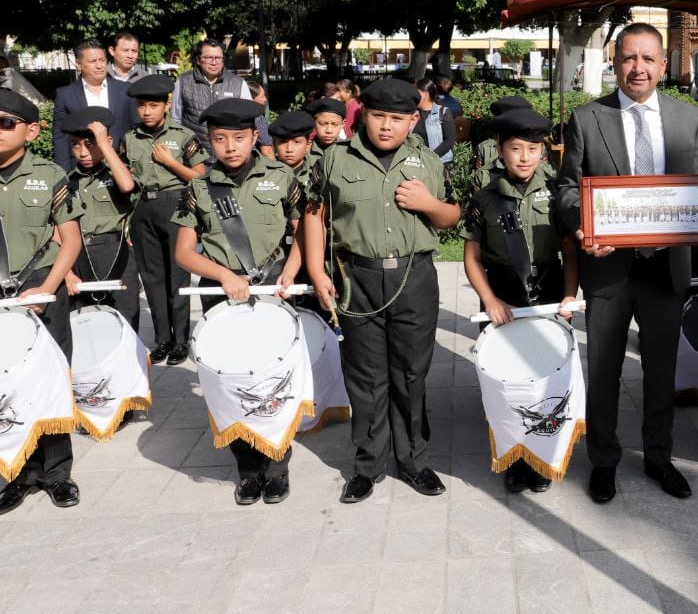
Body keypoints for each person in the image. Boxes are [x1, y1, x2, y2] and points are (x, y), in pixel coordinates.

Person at [553, 22, 698, 504]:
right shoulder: (587, 119)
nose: (637, 67)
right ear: (614, 63)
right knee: (604, 371)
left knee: (661, 369)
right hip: (608, 267)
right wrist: (586, 229)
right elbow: (563, 191)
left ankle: (660, 458)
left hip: (666, 266)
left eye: (647, 58)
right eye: (627, 58)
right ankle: (604, 461)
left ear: (664, 65)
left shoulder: (688, 118)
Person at [304, 78, 461, 503]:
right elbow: (314, 215)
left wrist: (429, 204)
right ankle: (368, 464)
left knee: (410, 374)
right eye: (377, 116)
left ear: (414, 120)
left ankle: (413, 460)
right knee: (366, 377)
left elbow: (452, 217)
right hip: (357, 278)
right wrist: (318, 272)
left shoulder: (428, 162)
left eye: (397, 118)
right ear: (362, 117)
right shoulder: (335, 160)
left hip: (415, 278)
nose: (386, 126)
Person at [173, 98, 304, 505]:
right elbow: (184, 252)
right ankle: (247, 469)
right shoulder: (198, 185)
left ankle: (277, 465)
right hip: (221, 294)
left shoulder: (281, 176)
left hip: (271, 292)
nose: (230, 147)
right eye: (220, 139)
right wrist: (225, 275)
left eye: (239, 138)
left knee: (271, 379)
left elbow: (304, 230)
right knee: (230, 382)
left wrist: (291, 270)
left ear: (254, 138)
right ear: (209, 142)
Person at [0, 87, 83, 516]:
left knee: (50, 380)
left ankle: (57, 474)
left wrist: (49, 285)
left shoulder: (51, 175)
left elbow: (70, 240)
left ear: (31, 130)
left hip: (40, 285)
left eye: (5, 123)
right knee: (3, 384)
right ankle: (17, 474)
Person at [462, 108, 580, 493]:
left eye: (533, 148)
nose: (525, 157)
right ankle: (515, 456)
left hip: (547, 291)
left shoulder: (559, 191)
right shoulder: (486, 197)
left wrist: (568, 295)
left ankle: (543, 456)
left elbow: (569, 249)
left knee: (547, 380)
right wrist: (489, 300)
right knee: (508, 383)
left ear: (543, 152)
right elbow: (471, 256)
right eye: (516, 149)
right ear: (500, 150)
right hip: (504, 294)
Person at [122, 74, 208, 365]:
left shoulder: (182, 136)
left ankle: (181, 340)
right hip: (143, 208)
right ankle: (163, 340)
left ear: (166, 105)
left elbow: (200, 176)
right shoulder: (130, 138)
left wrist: (171, 163)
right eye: (142, 106)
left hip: (175, 204)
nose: (147, 111)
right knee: (153, 278)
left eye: (153, 105)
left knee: (177, 275)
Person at [60, 107, 141, 330]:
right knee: (85, 324)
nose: (83, 152)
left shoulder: (115, 173)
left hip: (115, 253)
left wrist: (105, 146)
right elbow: (57, 230)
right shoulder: (66, 181)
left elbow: (127, 185)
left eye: (90, 144)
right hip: (78, 256)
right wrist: (67, 273)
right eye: (76, 144)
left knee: (125, 321)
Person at [51, 39, 137, 170]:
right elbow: (60, 138)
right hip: (83, 167)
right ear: (79, 64)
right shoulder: (65, 95)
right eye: (92, 61)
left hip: (120, 165)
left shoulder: (125, 90)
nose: (99, 65)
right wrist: (64, 175)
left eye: (102, 60)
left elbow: (136, 129)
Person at [171, 40, 251, 149]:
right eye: (208, 57)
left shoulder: (239, 83)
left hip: (228, 152)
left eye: (218, 58)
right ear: (198, 60)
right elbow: (176, 120)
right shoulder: (183, 81)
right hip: (194, 154)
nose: (214, 62)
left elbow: (250, 118)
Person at [413, 77, 456, 164]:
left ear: (425, 94)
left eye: (415, 92)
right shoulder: (411, 113)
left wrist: (430, 157)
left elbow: (449, 141)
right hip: (416, 163)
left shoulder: (443, 112)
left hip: (439, 163)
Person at [269, 110, 317, 186]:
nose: (289, 149)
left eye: (297, 142)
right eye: (283, 142)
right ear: (274, 145)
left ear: (308, 145)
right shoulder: (266, 175)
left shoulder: (318, 173)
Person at [244, 79, 276, 159]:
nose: (265, 99)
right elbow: (267, 150)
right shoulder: (258, 118)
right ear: (251, 98)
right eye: (262, 96)